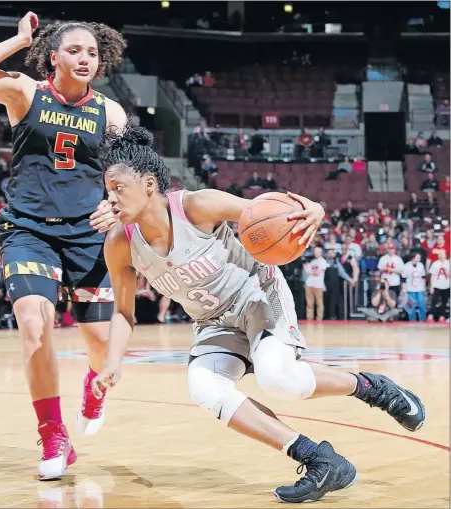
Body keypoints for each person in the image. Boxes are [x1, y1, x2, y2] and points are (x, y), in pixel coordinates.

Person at [90, 124, 425, 504]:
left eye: (119, 189)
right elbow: (123, 312)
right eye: (107, 190)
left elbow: (268, 211)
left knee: (279, 379)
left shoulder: (196, 206)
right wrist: (112, 362)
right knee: (204, 387)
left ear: (149, 184)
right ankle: (320, 460)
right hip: (214, 321)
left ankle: (372, 388)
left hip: (257, 295)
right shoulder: (119, 242)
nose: (110, 199)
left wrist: (312, 208)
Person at [0, 11, 127, 479]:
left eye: (92, 52)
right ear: (53, 57)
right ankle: (53, 434)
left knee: (98, 341)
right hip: (29, 228)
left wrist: (118, 205)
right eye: (74, 50)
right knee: (33, 323)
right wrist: (17, 41)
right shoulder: (25, 91)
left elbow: (130, 175)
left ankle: (96, 383)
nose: (84, 58)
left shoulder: (110, 113)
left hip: (88, 234)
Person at [401, 253, 426, 322]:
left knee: (422, 304)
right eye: (418, 257)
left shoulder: (421, 265)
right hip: (410, 289)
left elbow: (423, 277)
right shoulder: (406, 266)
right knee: (411, 306)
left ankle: (422, 319)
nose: (419, 259)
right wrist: (404, 289)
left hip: (420, 288)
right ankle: (412, 320)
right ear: (413, 258)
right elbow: (403, 279)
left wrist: (424, 288)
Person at [428, 250, 450, 323]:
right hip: (437, 285)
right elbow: (432, 275)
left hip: (446, 285)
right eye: (440, 254)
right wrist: (431, 286)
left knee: (444, 301)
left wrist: (446, 270)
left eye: (442, 254)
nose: (441, 256)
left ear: (445, 255)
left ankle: (442, 316)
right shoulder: (435, 263)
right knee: (434, 300)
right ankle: (431, 315)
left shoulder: (448, 263)